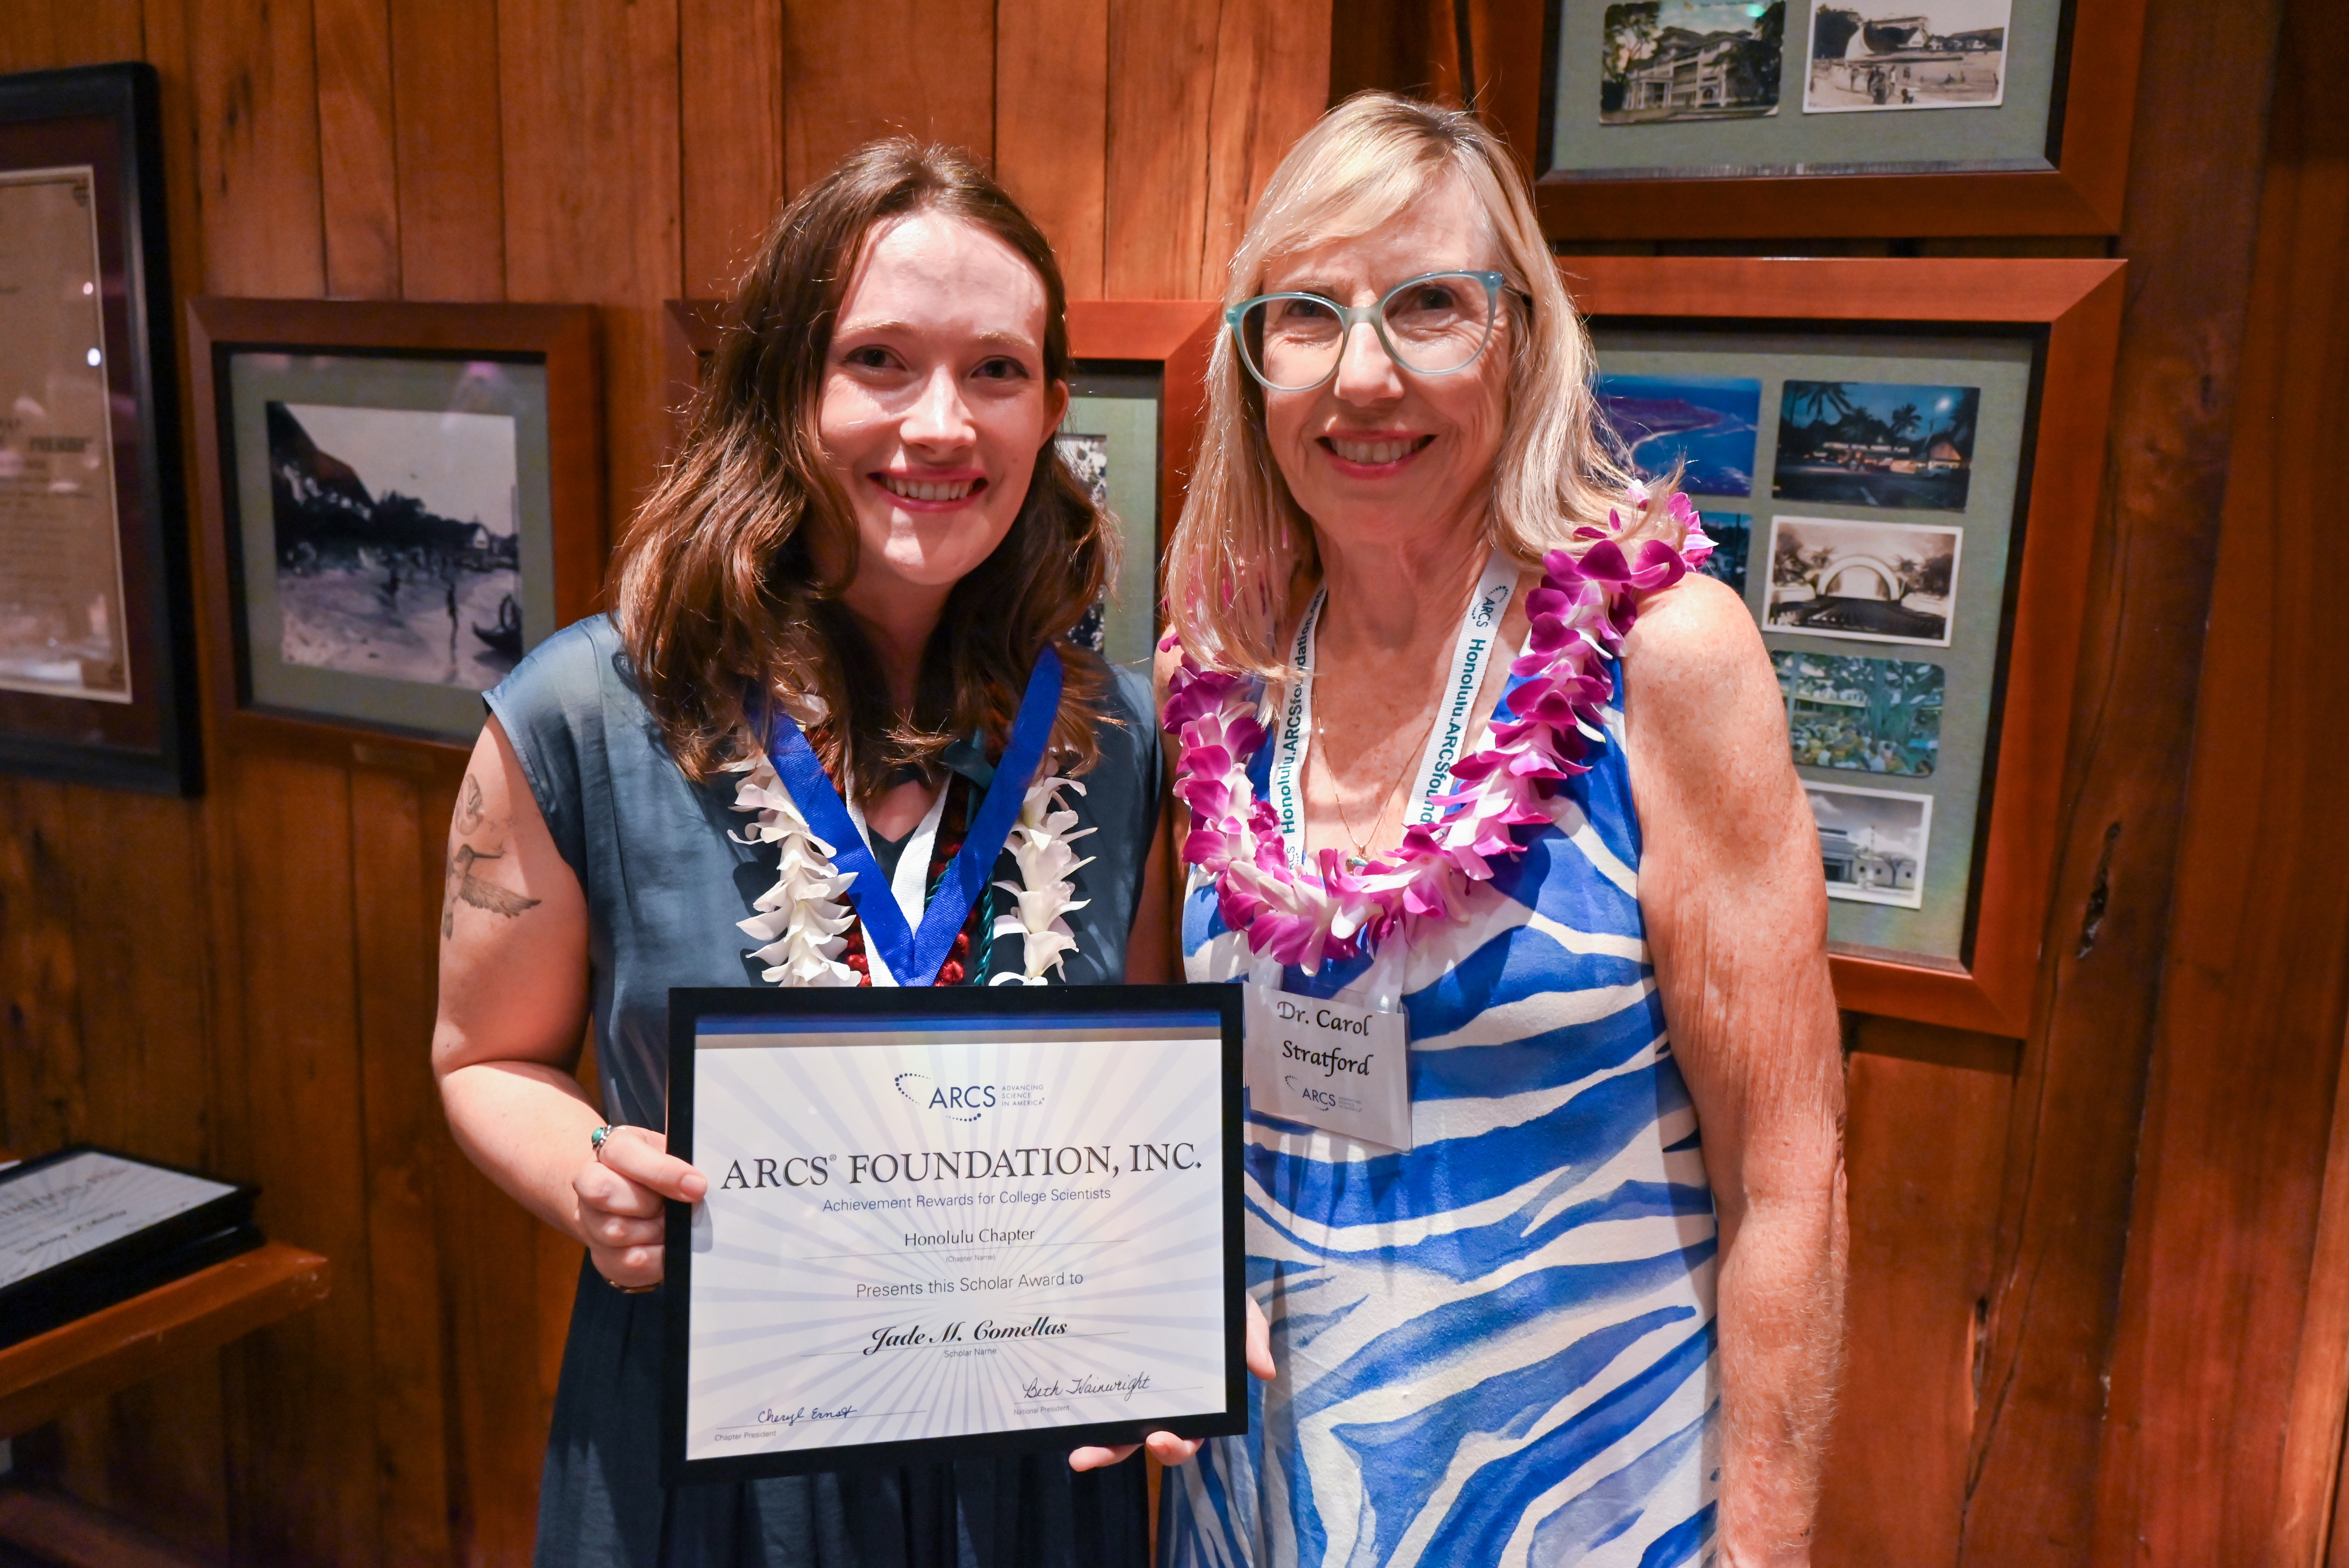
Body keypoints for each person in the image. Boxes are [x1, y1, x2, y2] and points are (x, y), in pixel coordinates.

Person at [431, 139, 1171, 1567]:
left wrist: (1181, 1300)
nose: (941, 423)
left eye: (997, 370)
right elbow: (482, 1058)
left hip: (1028, 1456)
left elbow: (1138, 1088)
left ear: (1050, 411)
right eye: (878, 360)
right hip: (715, 1453)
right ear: (782, 388)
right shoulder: (585, 713)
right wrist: (590, 1173)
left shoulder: (1115, 738)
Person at [1143, 94, 1847, 1565]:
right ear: (1252, 363)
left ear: (1519, 338)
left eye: (1428, 306)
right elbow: (1162, 1110)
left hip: (1581, 1511)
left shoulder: (1666, 661)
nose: (1365, 375)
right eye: (1308, 316)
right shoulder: (1221, 675)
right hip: (1259, 1515)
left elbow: (1788, 1180)